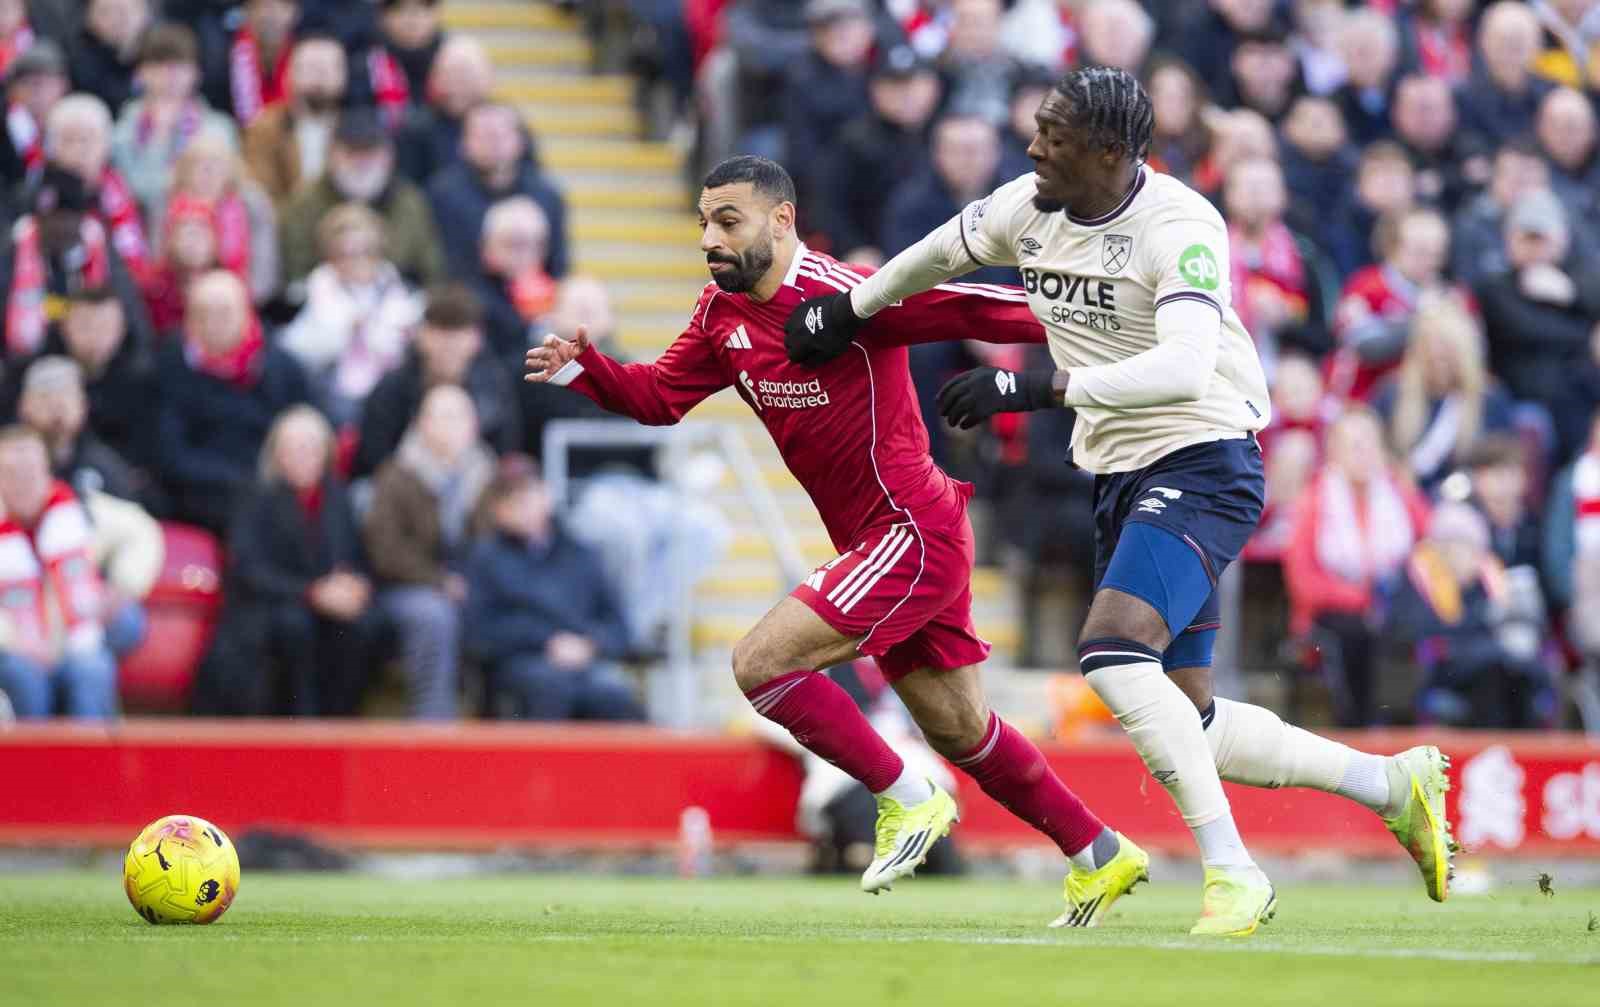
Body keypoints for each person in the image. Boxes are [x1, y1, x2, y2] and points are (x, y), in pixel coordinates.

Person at [780, 68, 1456, 931]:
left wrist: (1037, 389)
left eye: (1052, 137)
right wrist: (850, 307)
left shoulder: (1181, 227)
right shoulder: (1029, 206)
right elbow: (943, 249)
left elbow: (1183, 365)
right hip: (1123, 470)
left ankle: (1234, 873)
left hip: (1205, 456)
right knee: (1191, 719)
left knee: (1111, 654)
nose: (1032, 149)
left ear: (1108, 151)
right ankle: (1390, 782)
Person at [527, 155, 1146, 928]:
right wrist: (584, 370)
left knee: (759, 663)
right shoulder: (721, 316)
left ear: (781, 221)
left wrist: (1100, 320)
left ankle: (905, 794)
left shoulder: (847, 296)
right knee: (963, 730)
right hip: (886, 540)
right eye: (702, 224)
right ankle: (1099, 851)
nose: (709, 240)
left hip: (910, 527)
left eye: (728, 221)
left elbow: (967, 308)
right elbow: (659, 397)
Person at [194, 405, 385, 716]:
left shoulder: (337, 498)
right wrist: (312, 593)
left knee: (362, 628)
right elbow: (249, 570)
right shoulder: (255, 496)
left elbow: (356, 557)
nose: (303, 455)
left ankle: (343, 722)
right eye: (293, 448)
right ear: (276, 453)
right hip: (266, 607)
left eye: (311, 447)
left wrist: (354, 585)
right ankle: (299, 724)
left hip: (325, 606)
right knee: (294, 626)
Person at [464, 457, 645, 721]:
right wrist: (546, 641)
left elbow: (620, 628)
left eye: (528, 492)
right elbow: (479, 633)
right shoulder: (485, 558)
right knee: (550, 687)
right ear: (497, 509)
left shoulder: (582, 554)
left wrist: (588, 645)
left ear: (546, 494)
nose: (522, 504)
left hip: (584, 664)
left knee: (614, 694)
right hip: (519, 664)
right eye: (510, 497)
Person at [1284, 407, 1432, 727]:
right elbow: (1304, 582)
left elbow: (1430, 552)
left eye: (1370, 444)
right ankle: (1358, 728)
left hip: (1391, 607)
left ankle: (1404, 726)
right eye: (1354, 445)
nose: (1364, 453)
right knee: (1357, 632)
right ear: (1334, 452)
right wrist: (1361, 601)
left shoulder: (1399, 494)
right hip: (1334, 614)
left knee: (1404, 626)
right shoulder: (1315, 499)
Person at [365, 384, 495, 720]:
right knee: (434, 616)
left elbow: (495, 543)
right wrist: (439, 580)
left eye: (460, 416)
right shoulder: (396, 474)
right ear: (422, 424)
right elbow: (386, 549)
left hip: (472, 584)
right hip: (409, 586)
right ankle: (432, 723)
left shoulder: (488, 476)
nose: (453, 425)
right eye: (443, 416)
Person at [154, 270, 311, 533]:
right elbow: (170, 452)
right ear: (189, 321)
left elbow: (306, 429)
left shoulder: (281, 366)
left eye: (225, 313)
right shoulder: (171, 364)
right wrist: (239, 481)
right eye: (203, 315)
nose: (214, 324)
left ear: (247, 314)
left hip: (274, 481)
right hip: (202, 491)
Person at [1384, 501, 1553, 728]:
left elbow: (1508, 624)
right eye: (1454, 547)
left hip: (1493, 660)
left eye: (1470, 548)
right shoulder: (1418, 578)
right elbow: (1412, 629)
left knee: (1516, 671)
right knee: (1493, 672)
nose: (1464, 556)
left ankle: (1525, 747)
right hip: (1444, 666)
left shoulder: (1486, 581)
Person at [0, 425, 119, 719]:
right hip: (14, 647)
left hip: (72, 640)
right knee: (23, 676)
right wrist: (17, 641)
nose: (23, 482)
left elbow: (144, 532)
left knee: (94, 667)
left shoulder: (75, 508)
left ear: (47, 472)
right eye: (12, 474)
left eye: (31, 472)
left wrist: (121, 589)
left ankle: (91, 761)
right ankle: (32, 763)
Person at [354, 283, 519, 477]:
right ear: (421, 335)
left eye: (458, 333)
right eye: (440, 332)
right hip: (405, 489)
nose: (449, 344)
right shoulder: (392, 390)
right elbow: (376, 456)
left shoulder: (495, 387)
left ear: (476, 339)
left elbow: (506, 451)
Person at [280, 202, 420, 426]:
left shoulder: (401, 292)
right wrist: (344, 331)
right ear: (331, 257)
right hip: (332, 398)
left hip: (391, 394)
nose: (357, 261)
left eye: (365, 252)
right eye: (346, 254)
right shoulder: (314, 293)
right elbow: (294, 351)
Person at [278, 106, 444, 289]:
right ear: (331, 155)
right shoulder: (304, 203)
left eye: (371, 151)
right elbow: (295, 273)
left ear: (389, 156)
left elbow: (430, 271)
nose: (362, 162)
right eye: (352, 152)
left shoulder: (408, 201)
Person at [0, 166, 150, 366]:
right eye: (48, 219)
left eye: (64, 218)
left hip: (94, 368)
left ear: (81, 219)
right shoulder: (12, 252)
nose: (56, 228)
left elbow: (135, 328)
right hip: (25, 369)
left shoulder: (103, 252)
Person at [813, 45, 942, 266]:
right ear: (875, 90)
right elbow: (828, 205)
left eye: (914, 84)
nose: (906, 94)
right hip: (877, 261)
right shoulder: (853, 140)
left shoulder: (951, 133)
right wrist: (854, 248)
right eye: (894, 86)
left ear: (933, 87)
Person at [1373, 293, 1515, 494]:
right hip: (1404, 496)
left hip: (1466, 500)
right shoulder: (1393, 391)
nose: (1438, 358)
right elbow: (1376, 449)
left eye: (1447, 353)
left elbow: (1500, 462)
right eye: (1430, 351)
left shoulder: (1490, 398)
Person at [426, 101, 569, 282]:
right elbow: (442, 263)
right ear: (464, 143)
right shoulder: (443, 194)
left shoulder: (547, 195)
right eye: (484, 135)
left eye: (501, 134)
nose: (494, 143)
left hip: (535, 297)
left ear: (520, 141)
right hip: (466, 298)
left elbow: (559, 266)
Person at [1325, 207, 1454, 401]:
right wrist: (1421, 321)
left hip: (1421, 401)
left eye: (1436, 254)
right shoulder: (1367, 287)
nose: (1430, 261)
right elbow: (1363, 345)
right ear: (1393, 247)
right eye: (1420, 251)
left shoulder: (1449, 294)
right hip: (1364, 399)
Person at [108, 24, 237, 219]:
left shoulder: (219, 129)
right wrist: (157, 138)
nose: (171, 76)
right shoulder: (122, 131)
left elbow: (226, 190)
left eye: (180, 66)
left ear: (196, 73)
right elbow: (133, 193)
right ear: (140, 73)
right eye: (160, 66)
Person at [47, 92, 151, 285]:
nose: (79, 150)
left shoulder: (125, 195)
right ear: (52, 148)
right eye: (69, 140)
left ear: (105, 145)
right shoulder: (36, 197)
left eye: (87, 139)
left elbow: (135, 264)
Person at [165, 130, 279, 304]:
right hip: (176, 300)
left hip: (242, 301)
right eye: (199, 165)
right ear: (184, 171)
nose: (208, 172)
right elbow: (160, 263)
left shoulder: (252, 204)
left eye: (216, 164)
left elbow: (264, 272)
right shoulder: (168, 206)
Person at [241, 34, 348, 205]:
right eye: (310, 68)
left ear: (343, 76)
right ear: (289, 74)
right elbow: (261, 189)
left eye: (327, 69)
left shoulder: (356, 127)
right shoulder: (266, 127)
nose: (319, 78)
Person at [394, 35, 492, 187]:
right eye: (448, 74)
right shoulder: (416, 128)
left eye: (465, 75)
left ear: (486, 78)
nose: (456, 84)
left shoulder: (502, 123)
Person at [1456, 2, 1554, 148]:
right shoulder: (1462, 101)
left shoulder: (1553, 98)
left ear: (1537, 46)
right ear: (1484, 43)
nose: (1511, 53)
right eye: (1502, 42)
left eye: (1519, 43)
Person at [474, 196, 555, 363]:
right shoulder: (473, 301)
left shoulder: (559, 297)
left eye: (535, 244)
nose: (525, 255)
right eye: (513, 244)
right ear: (486, 247)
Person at [213, 0, 299, 128]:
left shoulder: (303, 55)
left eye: (281, 7)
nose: (271, 16)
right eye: (262, 6)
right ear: (247, 13)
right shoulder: (223, 57)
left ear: (294, 13)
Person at [0, 40, 66, 195]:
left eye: (46, 83)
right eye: (28, 84)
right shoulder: (4, 129)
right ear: (12, 91)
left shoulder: (71, 126)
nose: (38, 94)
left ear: (63, 86)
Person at [366, 0, 444, 128]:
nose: (411, 20)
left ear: (436, 14)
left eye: (420, 10)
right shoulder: (368, 63)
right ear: (384, 17)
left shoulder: (452, 60)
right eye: (401, 10)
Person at [70, 0, 150, 113]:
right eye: (106, 12)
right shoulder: (77, 62)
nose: (118, 20)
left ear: (144, 14)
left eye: (124, 11)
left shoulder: (159, 55)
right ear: (90, 18)